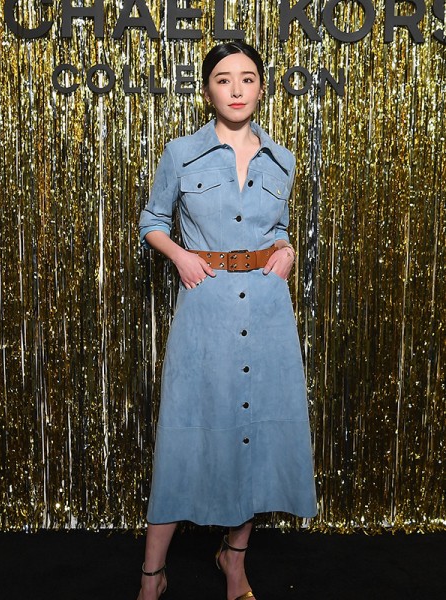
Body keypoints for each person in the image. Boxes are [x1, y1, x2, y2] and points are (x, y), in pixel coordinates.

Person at [137, 41, 317, 600]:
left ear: (261, 86)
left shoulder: (283, 160)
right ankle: (152, 575)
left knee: (253, 437)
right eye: (223, 79)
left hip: (266, 312)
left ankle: (233, 562)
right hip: (205, 310)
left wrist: (286, 250)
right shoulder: (181, 154)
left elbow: (277, 228)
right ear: (207, 89)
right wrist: (180, 255)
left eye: (247, 78)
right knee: (183, 437)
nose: (236, 89)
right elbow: (152, 220)